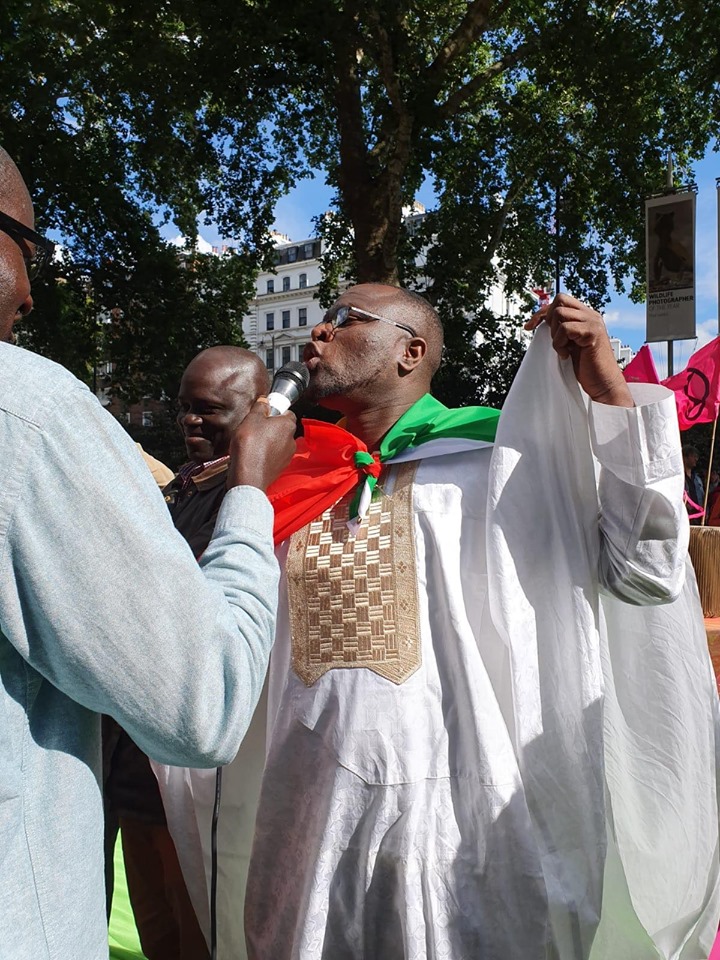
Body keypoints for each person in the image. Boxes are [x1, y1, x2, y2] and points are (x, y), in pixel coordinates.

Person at [224, 284, 714, 959]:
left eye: (344, 320)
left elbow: (646, 569)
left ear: (411, 351)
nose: (318, 333)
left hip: (465, 844)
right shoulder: (292, 482)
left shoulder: (496, 463)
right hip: (306, 836)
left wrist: (610, 394)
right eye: (320, 319)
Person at [0, 147, 296, 960]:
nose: (32, 290)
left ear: (257, 410)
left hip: (190, 792)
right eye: (29, 251)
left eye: (214, 411)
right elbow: (200, 696)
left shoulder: (288, 492)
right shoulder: (39, 420)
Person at [105, 347, 271, 959]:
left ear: (256, 410)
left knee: (204, 933)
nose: (190, 423)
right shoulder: (180, 491)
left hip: (200, 778)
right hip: (133, 766)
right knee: (161, 936)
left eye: (208, 411)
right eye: (183, 410)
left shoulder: (261, 498)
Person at [683, 443, 705, 522]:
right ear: (685, 457)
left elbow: (703, 497)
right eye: (693, 456)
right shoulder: (679, 479)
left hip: (698, 517)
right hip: (686, 517)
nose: (696, 459)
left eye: (697, 457)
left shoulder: (697, 479)